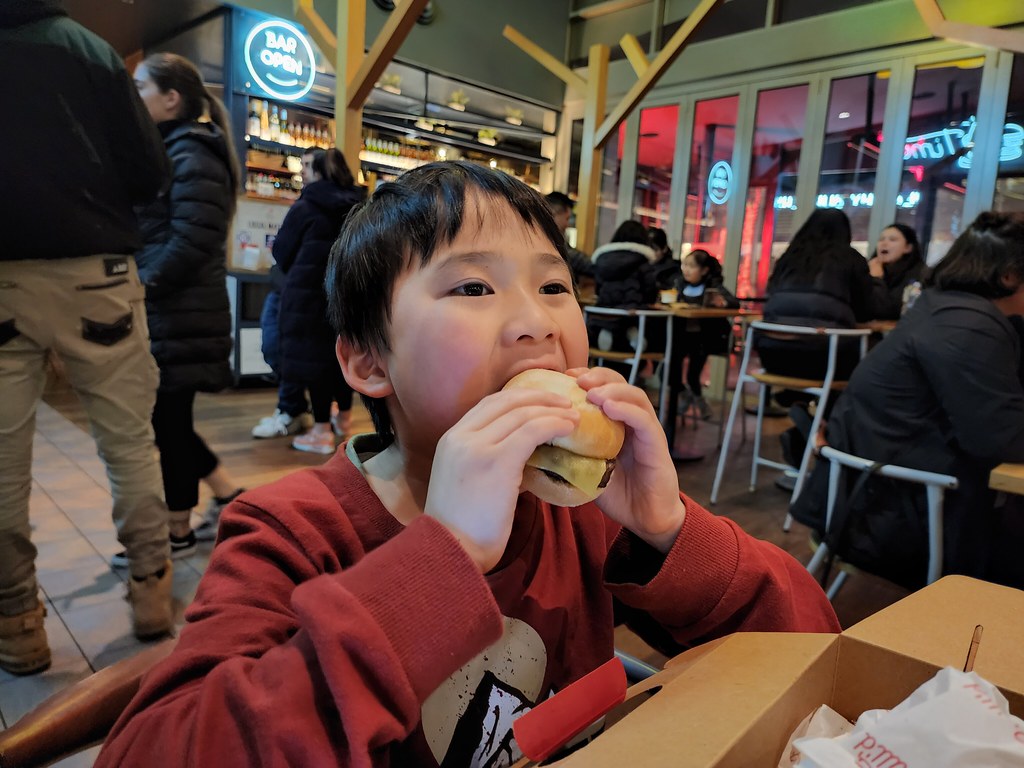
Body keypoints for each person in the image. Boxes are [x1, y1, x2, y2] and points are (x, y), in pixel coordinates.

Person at [97, 162, 838, 767]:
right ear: (367, 360)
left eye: (555, 287)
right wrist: (444, 557)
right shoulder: (294, 532)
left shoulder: (573, 514)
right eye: (473, 288)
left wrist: (668, 532)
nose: (537, 321)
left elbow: (815, 649)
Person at [0, 0, 175, 670]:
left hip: (3, 279)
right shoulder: (86, 49)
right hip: (95, 273)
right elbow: (148, 173)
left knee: (2, 465)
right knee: (129, 444)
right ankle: (151, 592)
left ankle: (17, 624)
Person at [791, 212, 1024, 590]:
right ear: (1009, 275)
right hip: (894, 514)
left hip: (866, 493)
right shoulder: (969, 325)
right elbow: (1001, 438)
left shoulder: (944, 306)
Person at [130, 52, 245, 549]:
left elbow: (192, 240)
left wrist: (142, 284)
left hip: (180, 311)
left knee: (167, 422)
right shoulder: (178, 148)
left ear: (171, 98)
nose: (134, 96)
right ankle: (224, 492)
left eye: (141, 87)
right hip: (177, 311)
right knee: (169, 418)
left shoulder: (191, 152)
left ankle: (178, 529)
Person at [274, 146, 364, 455]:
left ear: (320, 172)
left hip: (308, 296)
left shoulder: (307, 204)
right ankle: (345, 420)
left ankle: (321, 431)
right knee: (342, 355)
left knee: (315, 363)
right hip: (348, 294)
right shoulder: (361, 204)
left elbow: (281, 251)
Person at [758, 208, 874, 383]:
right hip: (822, 358)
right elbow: (865, 310)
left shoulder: (788, 258)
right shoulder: (850, 258)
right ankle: (822, 409)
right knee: (872, 352)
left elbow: (770, 293)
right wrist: (878, 279)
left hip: (770, 354)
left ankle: (798, 401)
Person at [671, 249, 739, 420]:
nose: (686, 270)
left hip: (703, 338)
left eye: (691, 266)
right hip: (680, 336)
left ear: (704, 270)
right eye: (684, 265)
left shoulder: (712, 286)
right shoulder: (679, 285)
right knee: (668, 370)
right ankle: (689, 397)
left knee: (693, 375)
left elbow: (733, 302)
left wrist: (721, 302)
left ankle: (699, 403)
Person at [588, 219, 660, 361]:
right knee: (641, 314)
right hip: (631, 314)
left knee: (611, 313)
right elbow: (650, 289)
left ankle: (607, 330)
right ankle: (633, 334)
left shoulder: (602, 259)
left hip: (604, 313)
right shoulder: (643, 260)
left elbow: (598, 289)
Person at [867, 223, 926, 320]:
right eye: (881, 239)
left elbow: (889, 311)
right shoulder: (871, 268)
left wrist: (876, 279)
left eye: (892, 240)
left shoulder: (918, 274)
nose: (884, 243)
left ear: (908, 248)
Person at [545, 191, 594, 291]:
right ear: (553, 213)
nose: (567, 225)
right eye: (567, 218)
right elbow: (571, 256)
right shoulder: (546, 240)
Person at [648, 226, 680, 291]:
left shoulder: (673, 269)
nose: (650, 253)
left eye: (654, 249)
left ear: (664, 249)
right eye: (647, 249)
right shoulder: (642, 265)